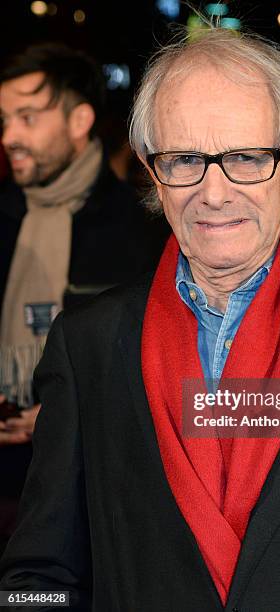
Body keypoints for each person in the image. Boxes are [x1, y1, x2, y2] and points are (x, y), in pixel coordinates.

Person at [1, 27, 280, 611]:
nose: (214, 192)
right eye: (183, 160)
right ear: (152, 173)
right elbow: (38, 578)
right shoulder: (89, 346)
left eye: (246, 158)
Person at [0, 43, 169, 545]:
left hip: (94, 502)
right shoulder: (3, 218)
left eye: (27, 117)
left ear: (80, 120)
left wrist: (64, 412)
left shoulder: (142, 229)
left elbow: (163, 372)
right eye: (5, 119)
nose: (9, 136)